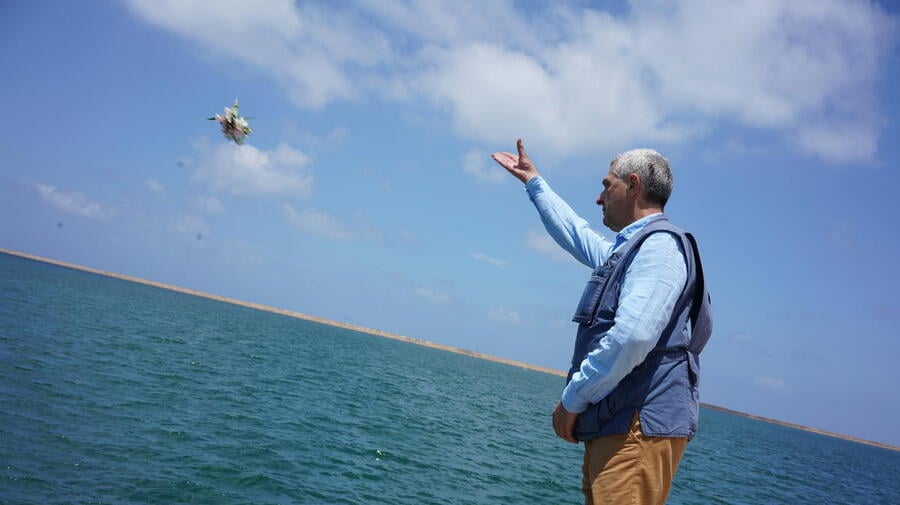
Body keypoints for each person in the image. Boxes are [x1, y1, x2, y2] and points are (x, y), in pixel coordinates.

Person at [491, 139, 712, 505]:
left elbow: (632, 336)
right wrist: (534, 183)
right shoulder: (632, 250)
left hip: (637, 426)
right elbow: (575, 234)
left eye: (607, 185)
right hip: (624, 424)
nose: (599, 198)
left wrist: (572, 400)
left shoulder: (658, 248)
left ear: (634, 185)